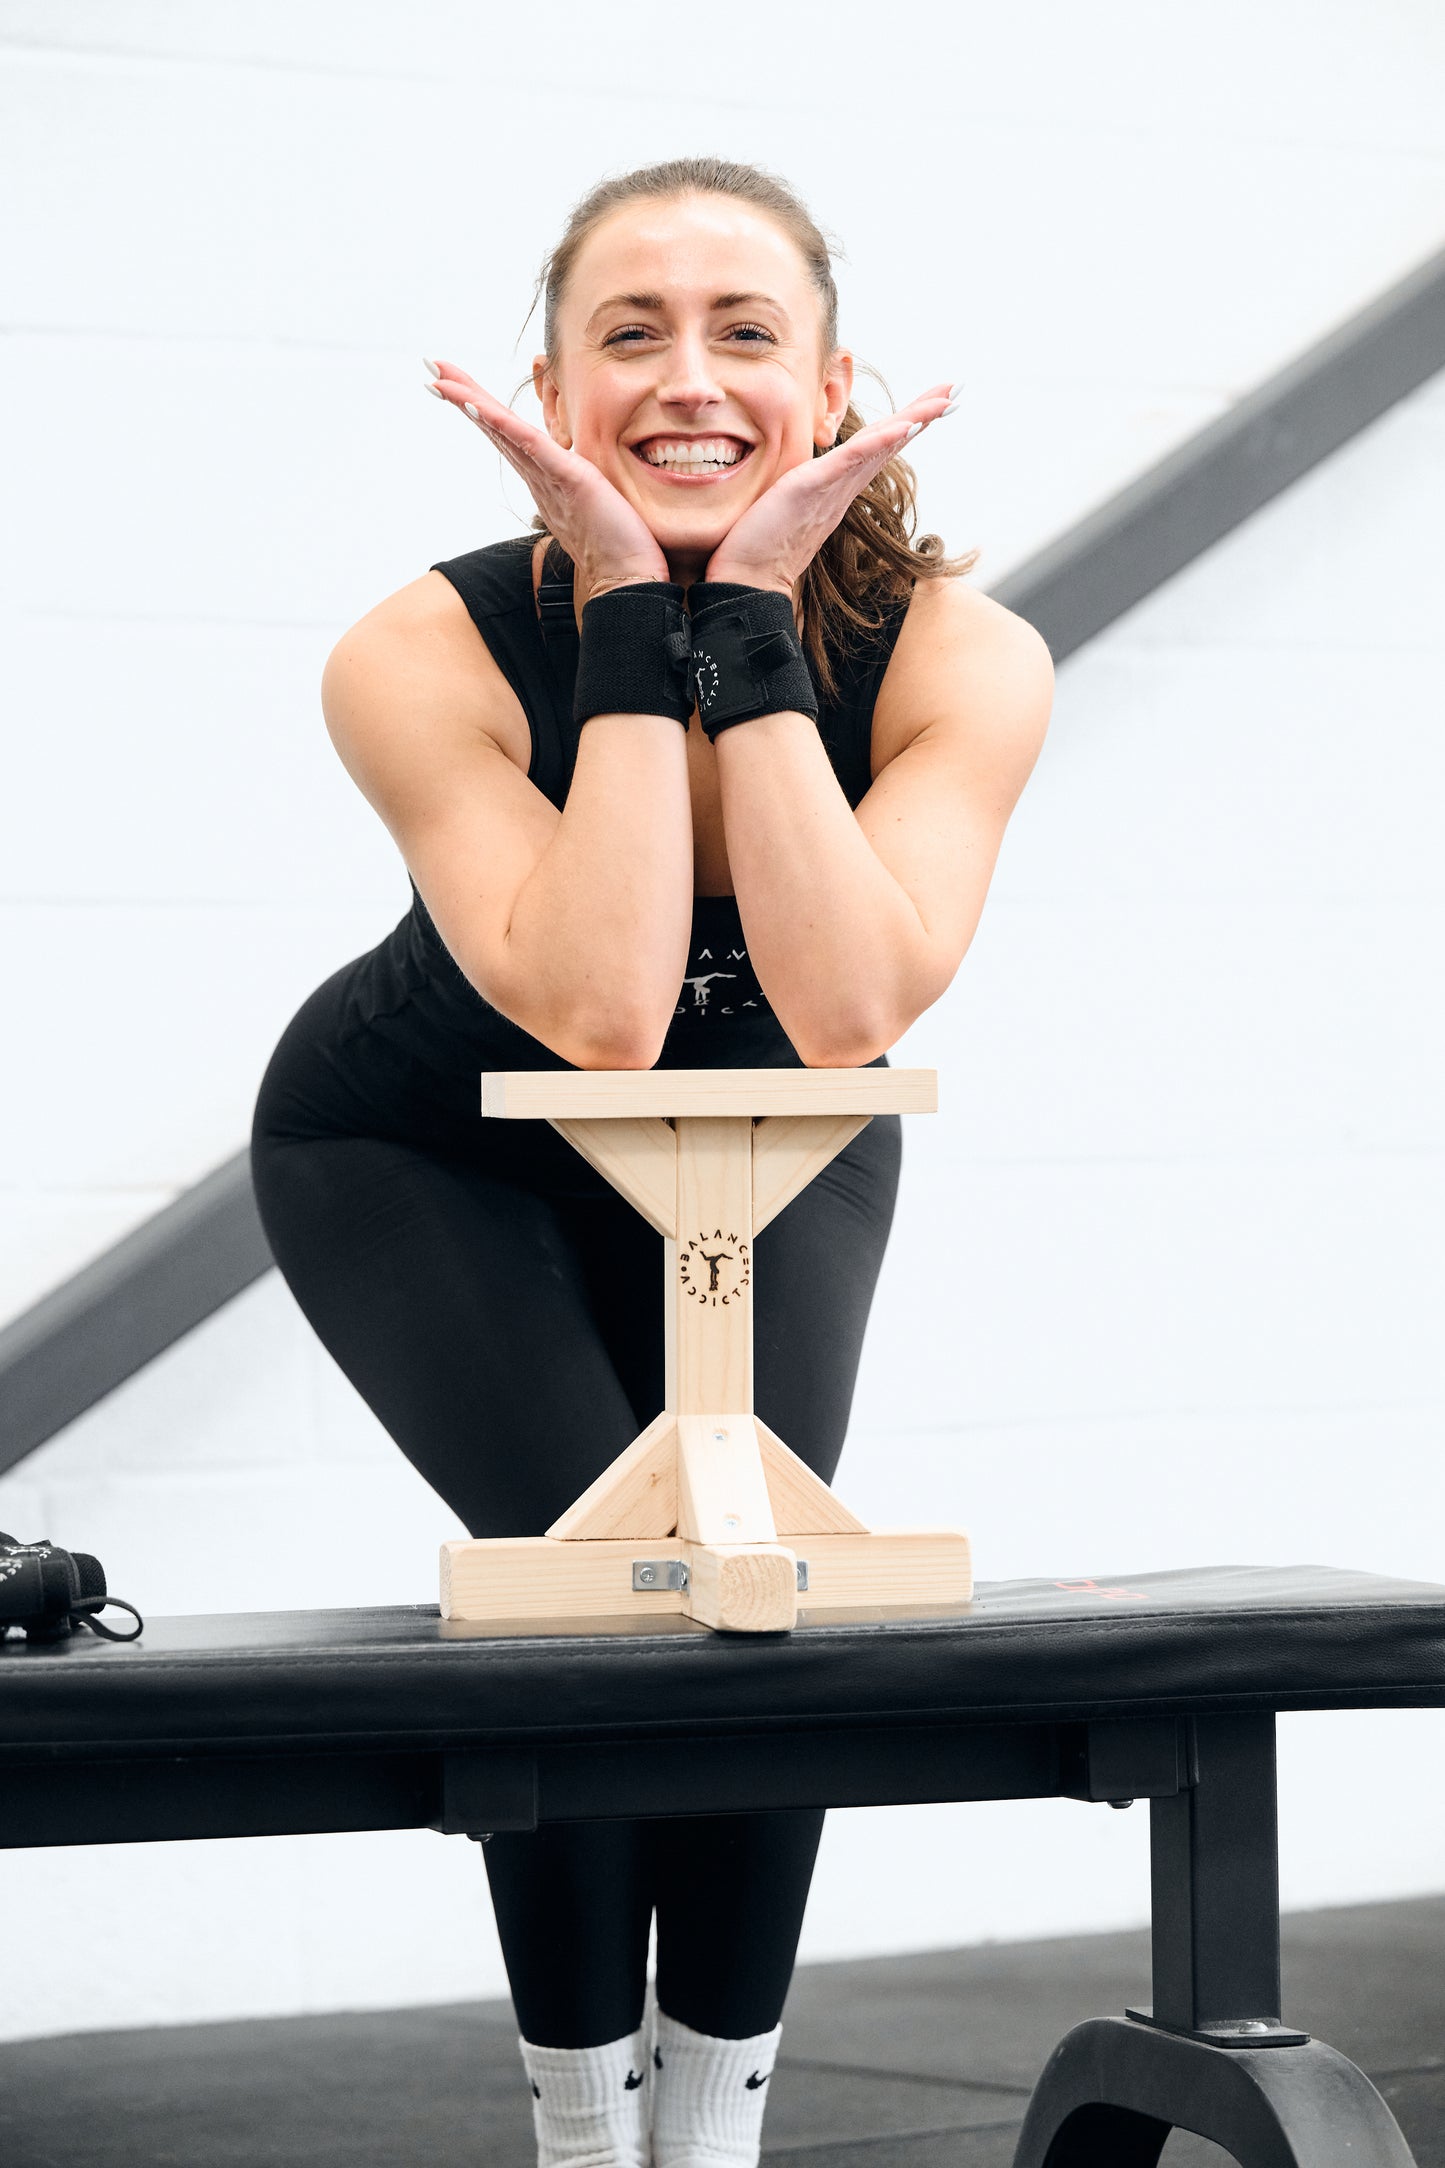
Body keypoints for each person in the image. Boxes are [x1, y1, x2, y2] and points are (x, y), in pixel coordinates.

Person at [251, 155, 1053, 2168]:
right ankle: (586, 2137)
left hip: (774, 1130)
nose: (688, 378)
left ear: (838, 385)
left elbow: (851, 995)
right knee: (602, 1601)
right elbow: (600, 1009)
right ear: (548, 384)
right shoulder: (418, 651)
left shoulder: (963, 658)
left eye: (744, 331)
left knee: (761, 1597)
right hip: (430, 1150)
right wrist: (627, 603)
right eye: (631, 333)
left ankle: (710, 2136)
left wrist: (759, 618)